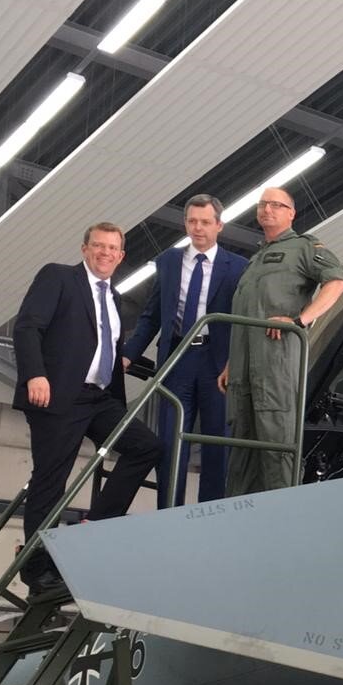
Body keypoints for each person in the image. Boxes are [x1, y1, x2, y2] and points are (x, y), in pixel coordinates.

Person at [13, 223, 161, 593]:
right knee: (50, 480)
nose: (105, 253)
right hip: (57, 394)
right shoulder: (59, 277)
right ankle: (36, 569)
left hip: (99, 399)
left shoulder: (114, 298)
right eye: (98, 245)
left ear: (121, 256)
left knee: (147, 446)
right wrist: (35, 374)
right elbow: (27, 327)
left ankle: (93, 527)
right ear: (84, 249)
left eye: (112, 248)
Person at [217, 186, 343, 496]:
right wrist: (231, 362)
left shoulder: (304, 247)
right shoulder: (254, 261)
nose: (267, 209)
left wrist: (300, 321)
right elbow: (248, 315)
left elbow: (338, 281)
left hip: (275, 365)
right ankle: (239, 518)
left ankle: (284, 513)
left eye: (276, 205)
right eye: (263, 204)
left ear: (291, 213)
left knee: (277, 443)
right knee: (241, 452)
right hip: (242, 371)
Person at [121, 194, 248, 507]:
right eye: (192, 221)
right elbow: (151, 315)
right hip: (177, 359)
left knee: (216, 443)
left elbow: (244, 322)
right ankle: (168, 511)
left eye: (205, 222)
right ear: (185, 224)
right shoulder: (168, 261)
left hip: (218, 364)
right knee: (169, 441)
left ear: (219, 225)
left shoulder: (238, 267)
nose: (198, 228)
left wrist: (235, 361)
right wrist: (128, 354)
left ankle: (211, 513)